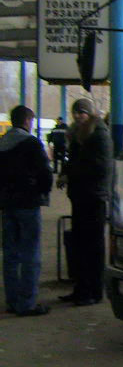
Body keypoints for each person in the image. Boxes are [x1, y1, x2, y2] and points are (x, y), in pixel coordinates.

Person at [58, 97, 113, 307]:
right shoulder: (77, 135)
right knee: (81, 244)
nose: (78, 116)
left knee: (93, 246)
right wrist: (66, 173)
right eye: (75, 112)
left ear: (90, 114)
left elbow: (99, 167)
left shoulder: (99, 135)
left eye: (82, 112)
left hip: (94, 197)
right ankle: (81, 289)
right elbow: (73, 162)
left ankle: (94, 291)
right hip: (81, 196)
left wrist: (71, 174)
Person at [0, 105, 53, 316]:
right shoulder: (31, 144)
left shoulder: (2, 144)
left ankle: (12, 300)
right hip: (28, 204)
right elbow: (45, 173)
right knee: (31, 254)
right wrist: (40, 192)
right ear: (27, 121)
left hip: (7, 205)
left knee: (10, 254)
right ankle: (27, 303)